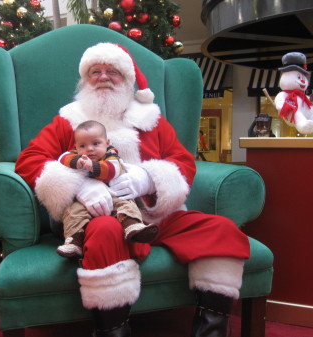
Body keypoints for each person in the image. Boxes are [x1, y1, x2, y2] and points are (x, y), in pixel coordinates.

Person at [15, 42, 250, 337]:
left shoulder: (151, 119)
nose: (103, 77)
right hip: (102, 219)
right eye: (95, 71)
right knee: (104, 231)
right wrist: (80, 187)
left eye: (112, 71)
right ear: (85, 80)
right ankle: (113, 331)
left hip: (153, 217)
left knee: (222, 229)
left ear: (127, 80)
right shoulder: (70, 120)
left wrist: (149, 178)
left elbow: (183, 162)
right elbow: (29, 160)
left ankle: (211, 330)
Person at [56, 120, 159, 258]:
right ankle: (74, 241)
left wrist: (92, 166)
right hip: (85, 202)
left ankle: (133, 226)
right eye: (83, 145)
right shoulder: (77, 155)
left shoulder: (111, 155)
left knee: (126, 203)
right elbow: (62, 158)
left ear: (107, 142)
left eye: (96, 143)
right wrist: (76, 161)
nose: (90, 149)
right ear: (76, 146)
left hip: (114, 194)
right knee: (72, 212)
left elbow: (112, 170)